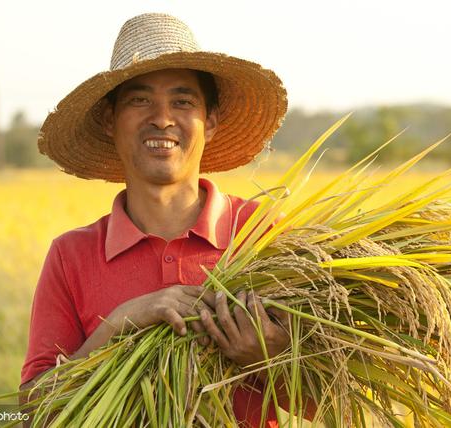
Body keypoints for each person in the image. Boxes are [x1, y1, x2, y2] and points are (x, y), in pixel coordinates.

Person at [19, 12, 296, 427]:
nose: (162, 118)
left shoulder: (261, 234)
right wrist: (120, 323)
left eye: (183, 101)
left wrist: (270, 358)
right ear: (110, 120)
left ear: (212, 121)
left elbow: (330, 399)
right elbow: (24, 412)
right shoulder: (70, 255)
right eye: (140, 99)